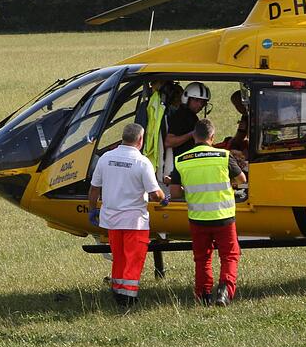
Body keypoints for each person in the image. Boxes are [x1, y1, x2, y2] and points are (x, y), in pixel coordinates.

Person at [87, 122, 167, 308]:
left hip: (111, 220)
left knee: (119, 257)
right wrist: (164, 198)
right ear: (140, 140)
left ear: (123, 138)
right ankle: (127, 297)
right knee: (133, 259)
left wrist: (92, 209)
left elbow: (94, 189)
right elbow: (155, 194)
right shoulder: (142, 162)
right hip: (134, 221)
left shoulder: (105, 158)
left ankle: (117, 289)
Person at [171, 118, 246, 306]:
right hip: (224, 216)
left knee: (202, 258)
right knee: (229, 255)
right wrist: (231, 184)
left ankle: (203, 294)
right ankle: (224, 291)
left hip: (198, 218)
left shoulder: (181, 160)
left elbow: (174, 192)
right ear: (212, 137)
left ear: (194, 136)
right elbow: (242, 179)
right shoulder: (224, 155)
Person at [165, 82, 210, 161]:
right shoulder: (180, 116)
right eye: (196, 100)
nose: (200, 105)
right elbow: (169, 142)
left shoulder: (191, 116)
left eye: (203, 102)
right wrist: (192, 133)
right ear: (187, 98)